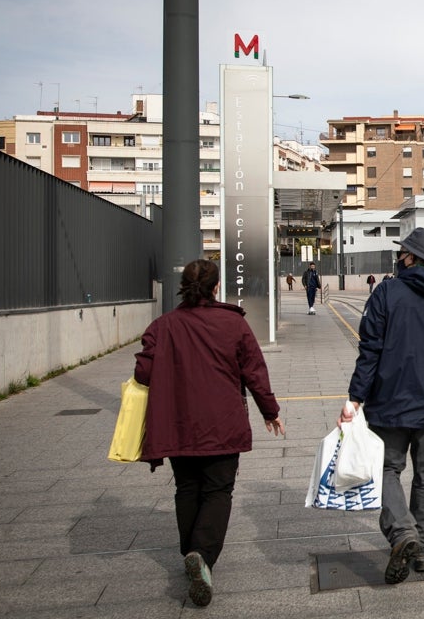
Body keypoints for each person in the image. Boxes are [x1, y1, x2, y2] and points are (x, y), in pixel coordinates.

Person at [133, 259, 285, 608]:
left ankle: (191, 553)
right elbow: (254, 372)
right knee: (218, 490)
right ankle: (201, 555)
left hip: (179, 424)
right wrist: (270, 412)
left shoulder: (163, 325)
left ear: (184, 287)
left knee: (188, 489)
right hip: (222, 424)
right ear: (217, 286)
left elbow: (143, 373)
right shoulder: (233, 324)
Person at [339, 227, 424, 584]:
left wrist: (355, 398)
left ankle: (403, 533)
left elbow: (369, 351)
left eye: (403, 252)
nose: (399, 257)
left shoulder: (386, 293)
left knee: (386, 470)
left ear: (412, 258)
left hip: (389, 403)